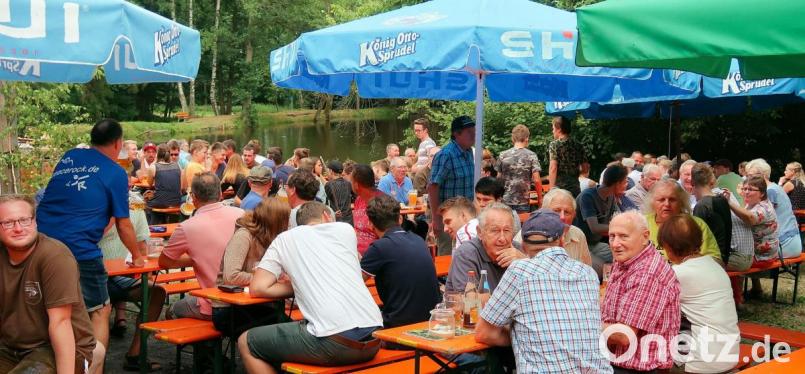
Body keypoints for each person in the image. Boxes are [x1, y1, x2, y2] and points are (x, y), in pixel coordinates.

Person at [36, 119, 144, 372]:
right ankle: (96, 367)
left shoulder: (70, 156)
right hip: (79, 248)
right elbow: (124, 223)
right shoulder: (116, 171)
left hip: (41, 243)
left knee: (54, 307)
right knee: (99, 309)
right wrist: (138, 257)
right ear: (118, 143)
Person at [239, 202, 383, 373]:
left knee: (245, 342)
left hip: (334, 342)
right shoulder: (345, 230)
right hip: (374, 337)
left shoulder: (286, 238)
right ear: (327, 216)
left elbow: (258, 288)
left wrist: (295, 286)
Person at [476, 209, 612, 373]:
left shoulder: (520, 271)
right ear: (562, 240)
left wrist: (523, 335)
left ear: (524, 246)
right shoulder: (588, 273)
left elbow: (484, 333)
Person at [0, 195, 102, 374]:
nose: (18, 228)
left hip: (60, 349)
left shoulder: (54, 256)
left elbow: (60, 323)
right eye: (7, 223)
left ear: (35, 222)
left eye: (24, 220)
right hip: (10, 347)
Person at [601, 211, 680, 373]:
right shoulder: (627, 259)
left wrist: (581, 322)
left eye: (623, 236)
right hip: (616, 359)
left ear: (645, 237)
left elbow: (623, 336)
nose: (615, 243)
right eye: (612, 236)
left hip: (638, 367)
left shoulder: (647, 274)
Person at [659, 214, 739, 373]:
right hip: (730, 355)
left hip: (700, 364)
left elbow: (649, 309)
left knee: (644, 357)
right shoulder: (715, 266)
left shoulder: (677, 273)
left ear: (669, 247)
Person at [159, 172, 244, 320]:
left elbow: (164, 263)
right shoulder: (241, 215)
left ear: (193, 198)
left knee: (172, 310)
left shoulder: (187, 227)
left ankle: (205, 343)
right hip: (246, 300)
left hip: (214, 304)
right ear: (220, 194)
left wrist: (195, 259)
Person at [99, 205, 166, 371]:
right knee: (99, 307)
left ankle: (135, 354)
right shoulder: (89, 208)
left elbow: (143, 247)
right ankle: (94, 362)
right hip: (90, 277)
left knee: (156, 292)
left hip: (119, 277)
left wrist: (146, 273)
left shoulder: (135, 211)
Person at [361, 195, 440, 328]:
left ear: (370, 224)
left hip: (399, 326)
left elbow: (355, 281)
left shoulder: (379, 248)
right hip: (431, 321)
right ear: (400, 218)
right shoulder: (418, 240)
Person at [214, 198, 290, 337]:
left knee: (289, 330)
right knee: (283, 334)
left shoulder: (273, 239)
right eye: (286, 220)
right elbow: (231, 277)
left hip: (257, 306)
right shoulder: (244, 236)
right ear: (276, 222)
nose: (289, 225)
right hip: (229, 310)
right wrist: (266, 279)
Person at [446, 202, 526, 293]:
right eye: (495, 230)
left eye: (507, 230)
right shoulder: (466, 254)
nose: (502, 238)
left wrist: (526, 264)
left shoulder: (518, 251)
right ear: (480, 232)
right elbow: (470, 301)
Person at [573, 165, 635, 275]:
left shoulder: (610, 197)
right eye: (625, 182)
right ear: (617, 184)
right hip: (581, 245)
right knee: (602, 269)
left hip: (597, 244)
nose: (627, 185)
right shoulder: (587, 196)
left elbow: (619, 219)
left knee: (627, 257)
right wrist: (624, 229)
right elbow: (595, 228)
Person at [644, 179, 723, 264]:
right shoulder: (642, 224)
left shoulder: (695, 224)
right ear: (652, 202)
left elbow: (715, 260)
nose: (667, 204)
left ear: (681, 202)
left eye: (672, 199)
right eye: (661, 200)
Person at [428, 115, 475, 256]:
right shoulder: (446, 155)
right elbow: (432, 186)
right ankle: (445, 279)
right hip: (448, 218)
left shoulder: (468, 153)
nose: (473, 135)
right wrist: (436, 218)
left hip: (466, 216)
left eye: (474, 132)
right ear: (456, 134)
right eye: (469, 132)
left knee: (466, 254)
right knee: (447, 255)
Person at [516, 188, 592, 266]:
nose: (562, 217)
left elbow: (587, 268)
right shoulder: (526, 234)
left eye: (567, 212)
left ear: (574, 215)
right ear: (543, 212)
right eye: (556, 211)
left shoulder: (578, 234)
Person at [745, 158, 802, 258]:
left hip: (784, 244)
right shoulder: (775, 187)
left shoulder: (770, 191)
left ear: (762, 175)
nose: (746, 179)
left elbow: (751, 218)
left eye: (750, 176)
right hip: (792, 241)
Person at [691, 163, 732, 265]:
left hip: (710, 260)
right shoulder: (722, 200)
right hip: (723, 257)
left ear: (692, 183)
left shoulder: (701, 206)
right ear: (711, 182)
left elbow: (696, 239)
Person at [496, 124, 541, 214]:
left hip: (505, 200)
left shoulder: (503, 155)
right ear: (527, 138)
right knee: (522, 226)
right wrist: (540, 199)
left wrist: (497, 197)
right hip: (523, 201)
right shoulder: (531, 155)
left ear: (513, 138)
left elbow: (498, 179)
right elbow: (536, 180)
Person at [548, 116, 589, 197]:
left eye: (553, 128)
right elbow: (585, 168)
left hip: (559, 189)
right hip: (575, 188)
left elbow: (553, 168)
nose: (552, 131)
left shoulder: (554, 145)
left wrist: (551, 190)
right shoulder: (578, 145)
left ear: (559, 129)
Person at [146, 144, 184, 224]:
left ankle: (152, 225)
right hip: (176, 201)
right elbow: (181, 186)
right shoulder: (178, 165)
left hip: (161, 202)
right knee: (159, 198)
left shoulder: (153, 167)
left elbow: (149, 184)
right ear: (168, 154)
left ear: (157, 154)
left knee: (146, 201)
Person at [352, 164, 385, 255]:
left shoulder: (382, 202)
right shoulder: (359, 199)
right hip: (354, 251)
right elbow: (357, 228)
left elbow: (387, 237)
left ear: (356, 185)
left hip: (373, 254)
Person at [324, 160, 354, 225]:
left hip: (337, 220)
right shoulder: (348, 183)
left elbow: (326, 202)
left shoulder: (329, 185)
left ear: (331, 171)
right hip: (349, 221)